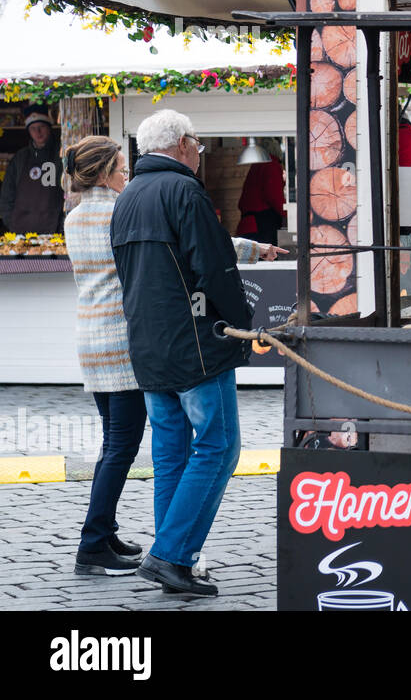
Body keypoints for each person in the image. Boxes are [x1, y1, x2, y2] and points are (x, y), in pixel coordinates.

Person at [110, 110, 283, 596]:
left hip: (148, 342)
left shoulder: (128, 198)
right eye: (198, 145)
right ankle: (171, 556)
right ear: (183, 143)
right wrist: (240, 327)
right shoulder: (183, 190)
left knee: (171, 454)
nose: (199, 152)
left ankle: (171, 556)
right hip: (194, 345)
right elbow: (215, 267)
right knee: (218, 447)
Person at [62, 137, 147, 577]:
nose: (126, 176)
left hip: (91, 341)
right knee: (122, 446)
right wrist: (251, 249)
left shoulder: (73, 218)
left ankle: (105, 530)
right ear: (102, 173)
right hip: (121, 344)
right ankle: (93, 544)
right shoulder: (121, 210)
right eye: (121, 168)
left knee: (112, 442)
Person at [0, 107, 64, 233]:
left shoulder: (60, 155)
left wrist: (60, 226)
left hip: (54, 230)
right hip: (20, 231)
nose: (38, 132)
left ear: (49, 128)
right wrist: (11, 222)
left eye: (41, 127)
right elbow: (6, 195)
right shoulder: (20, 158)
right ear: (28, 131)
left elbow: (68, 193)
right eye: (33, 128)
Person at [235, 140, 287, 245]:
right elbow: (274, 196)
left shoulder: (257, 165)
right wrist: (287, 214)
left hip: (248, 226)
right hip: (261, 227)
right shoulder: (271, 165)